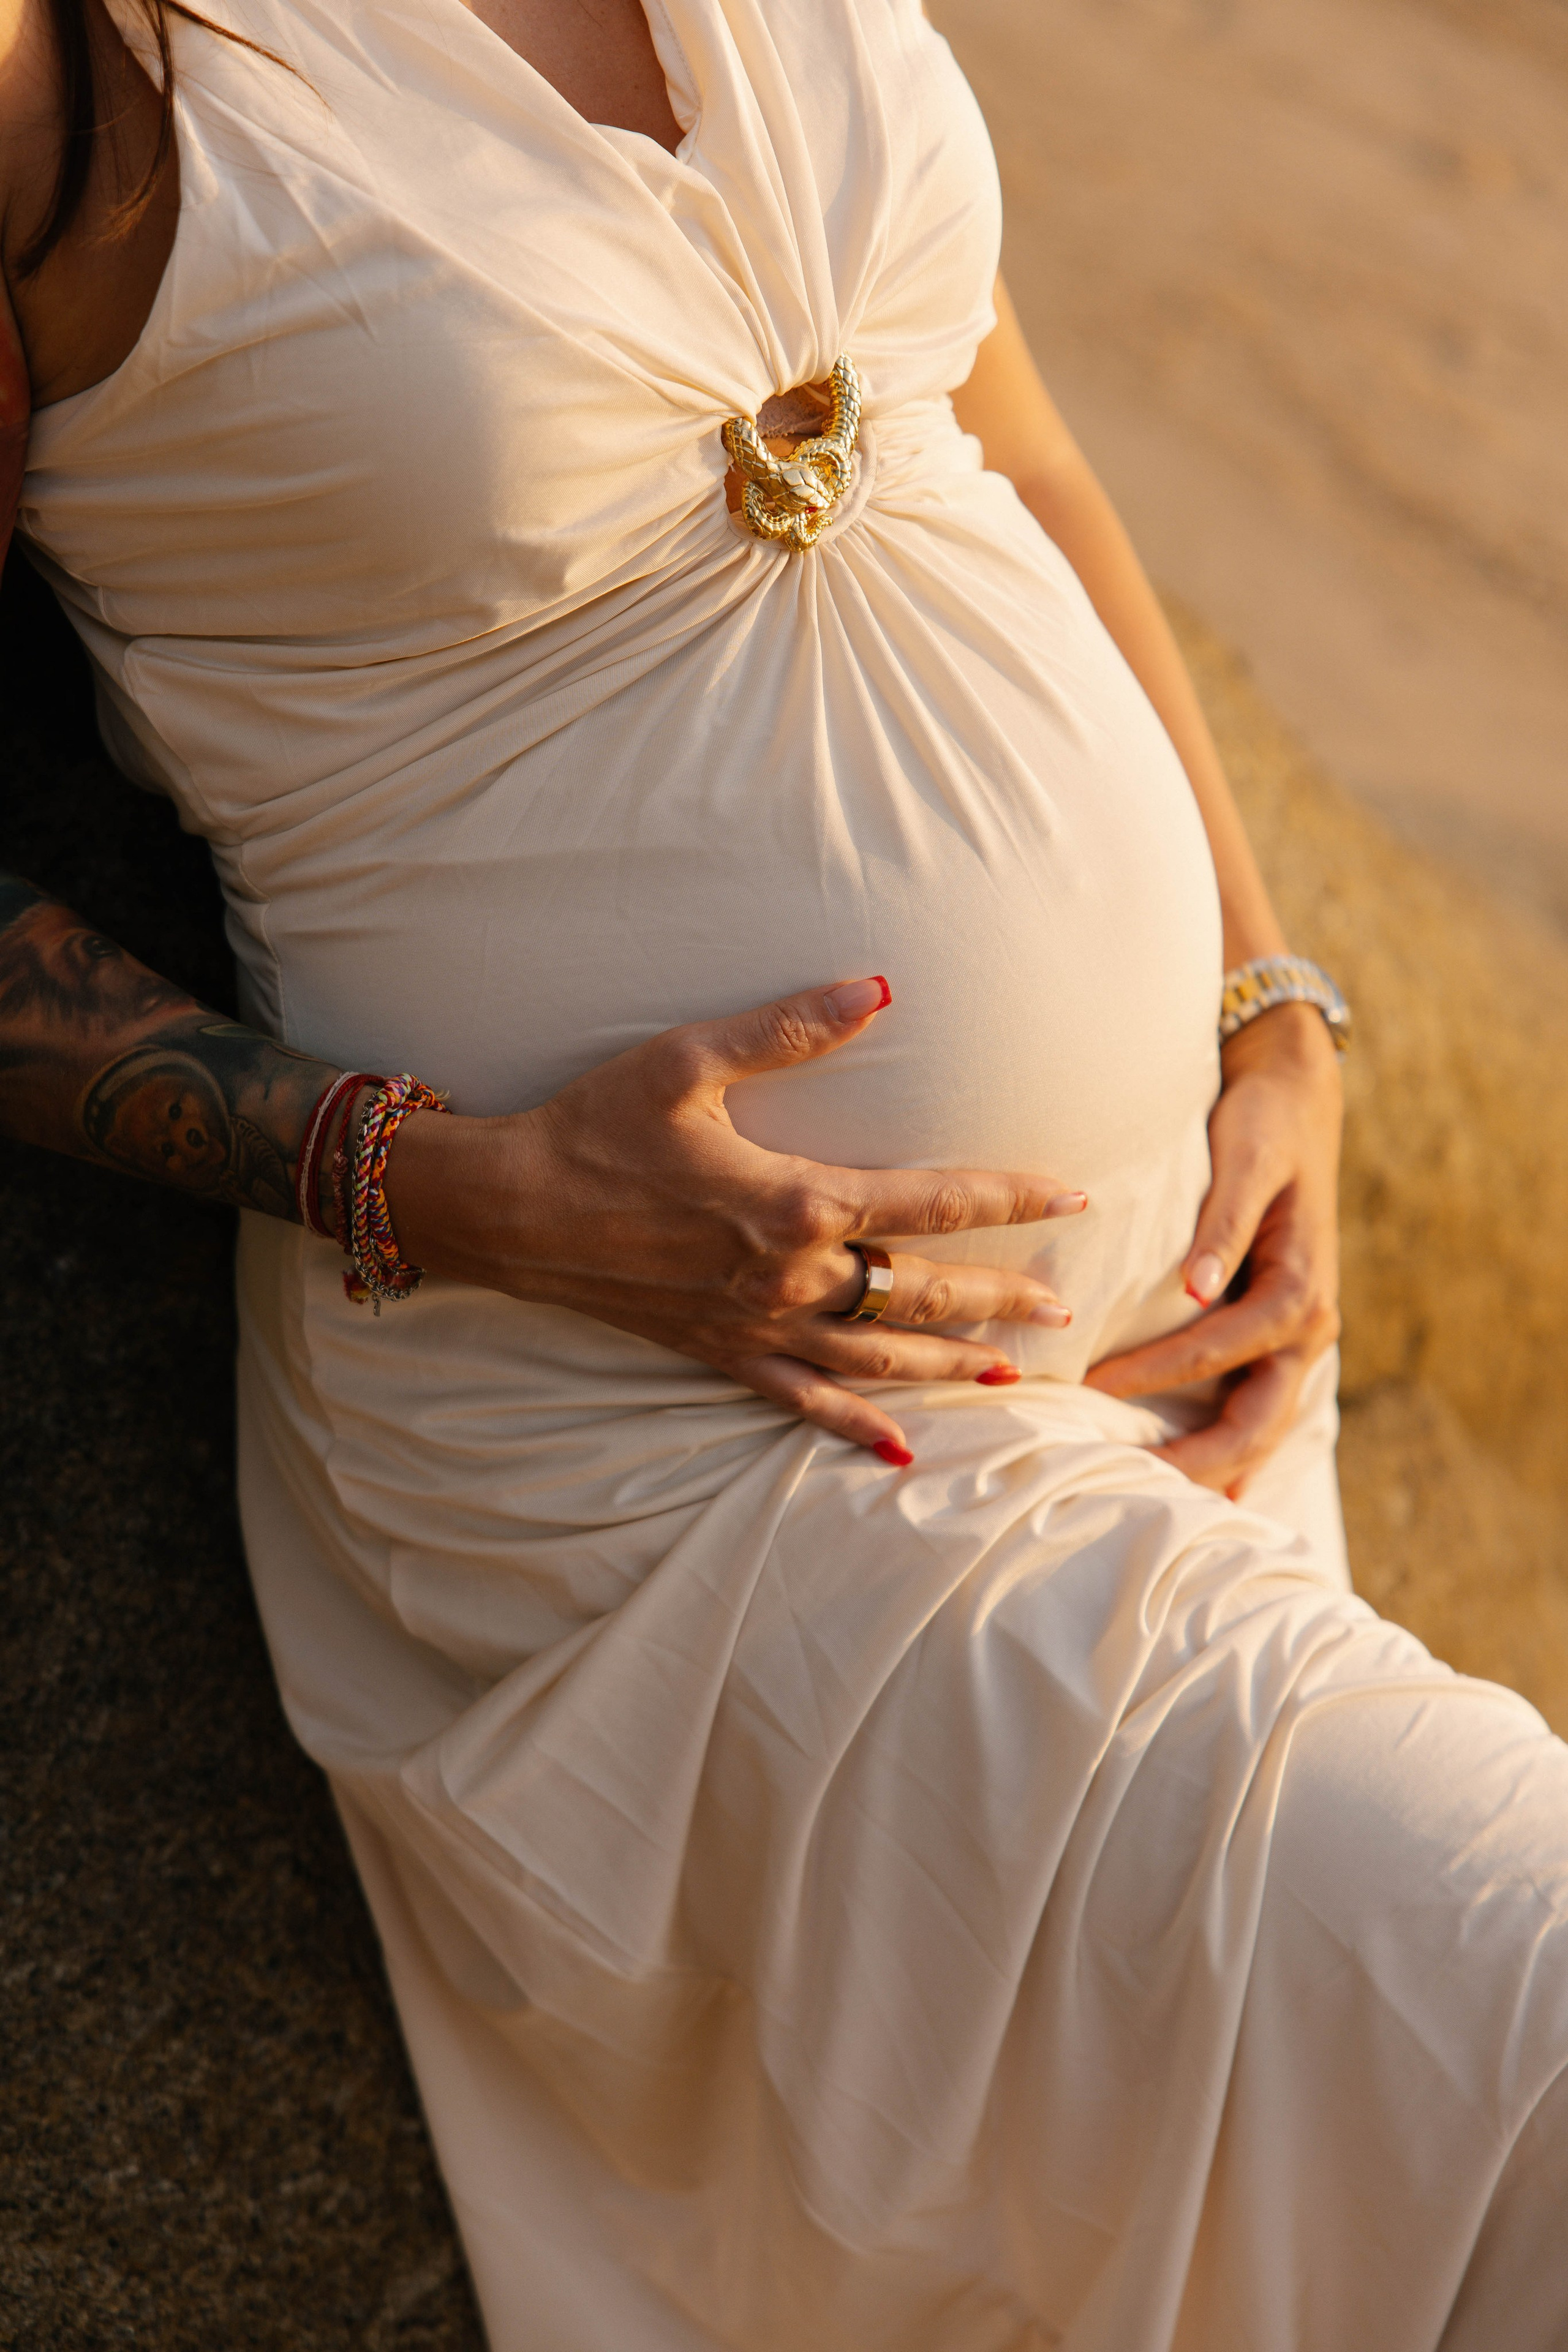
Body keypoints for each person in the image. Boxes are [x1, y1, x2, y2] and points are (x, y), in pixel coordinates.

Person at [1, 0, 1564, 2343]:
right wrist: (462, 1189)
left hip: (1171, 1358)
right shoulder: (64, 76)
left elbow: (1007, 434)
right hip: (688, 1450)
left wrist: (1268, 1003)